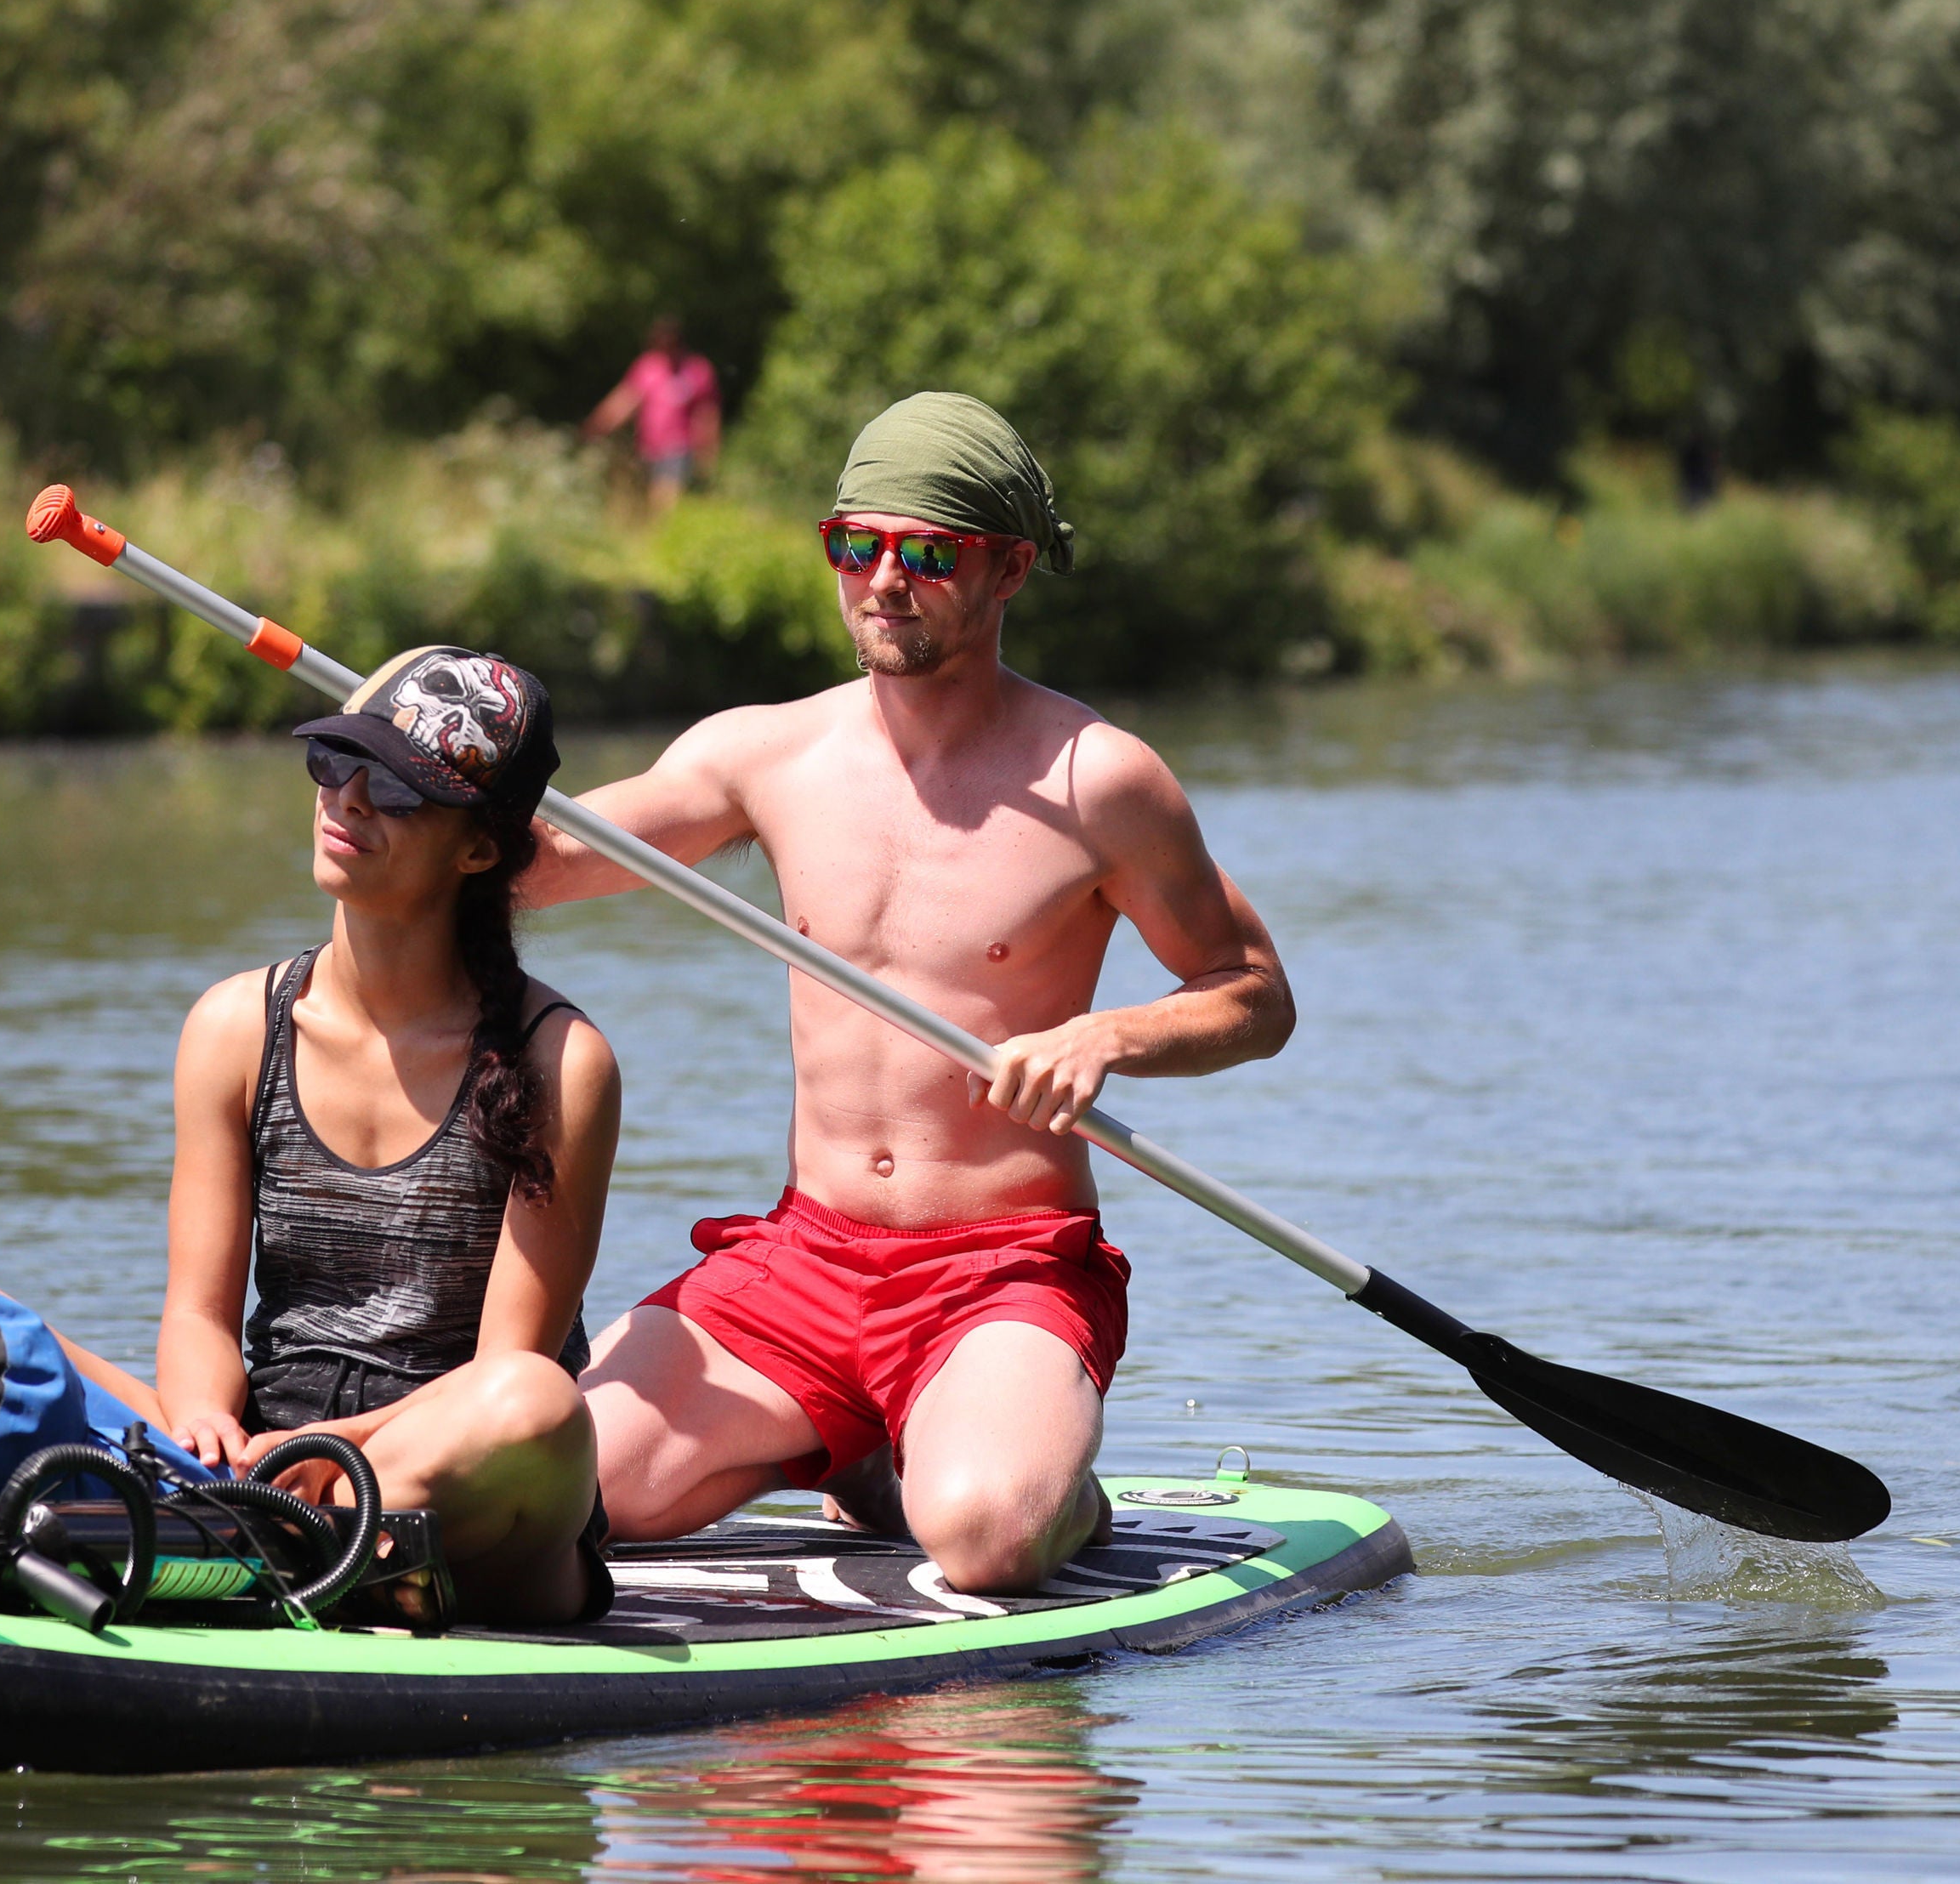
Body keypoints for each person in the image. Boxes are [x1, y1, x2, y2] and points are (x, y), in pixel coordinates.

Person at [522, 392, 1296, 1595]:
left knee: (984, 1539)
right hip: (802, 1261)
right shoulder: (764, 754)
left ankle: (1039, 1482)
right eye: (856, 543)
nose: (885, 578)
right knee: (556, 1498)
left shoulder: (1100, 779)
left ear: (1010, 570)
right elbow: (538, 864)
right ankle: (856, 1434)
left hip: (1004, 1269)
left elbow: (1253, 995)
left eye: (928, 553)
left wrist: (1109, 1034)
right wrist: (420, 774)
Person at [62, 646, 623, 1626]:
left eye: (399, 788)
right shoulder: (235, 1026)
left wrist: (331, 1455)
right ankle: (248, 1523)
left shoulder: (560, 1063)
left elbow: (505, 1369)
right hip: (264, 1460)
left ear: (479, 849)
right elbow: (196, 1316)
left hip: (464, 1496)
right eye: (333, 761)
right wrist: (199, 1418)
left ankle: (243, 1537)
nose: (348, 797)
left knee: (538, 1404)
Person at [583, 316, 720, 512]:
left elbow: (707, 414)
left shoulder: (698, 370)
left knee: (664, 500)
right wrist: (596, 426)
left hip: (679, 448)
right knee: (642, 500)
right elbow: (624, 401)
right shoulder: (647, 367)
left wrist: (708, 451)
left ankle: (664, 538)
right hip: (647, 448)